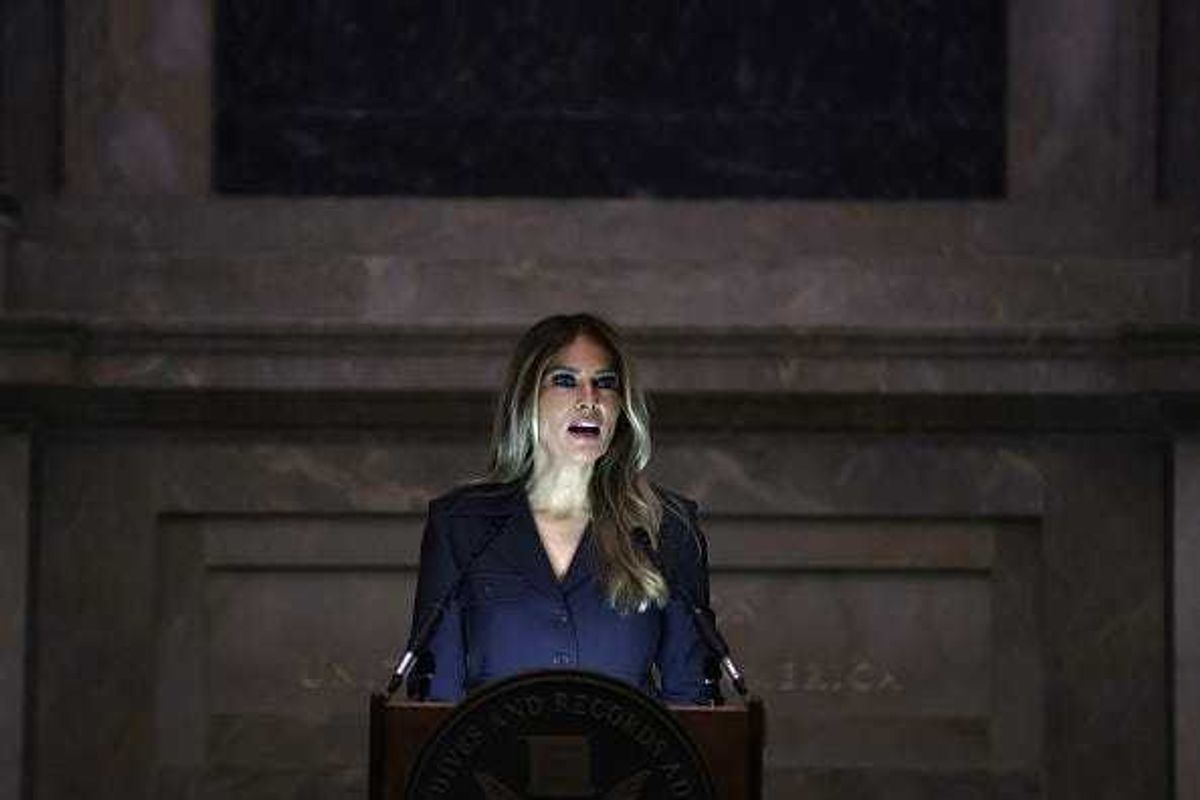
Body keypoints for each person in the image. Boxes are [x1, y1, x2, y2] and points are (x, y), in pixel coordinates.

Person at [406, 313, 715, 704]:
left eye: (605, 383)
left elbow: (693, 698)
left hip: (627, 763)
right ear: (528, 398)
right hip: (492, 763)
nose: (589, 400)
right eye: (565, 381)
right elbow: (434, 695)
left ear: (622, 407)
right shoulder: (461, 523)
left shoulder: (665, 524)